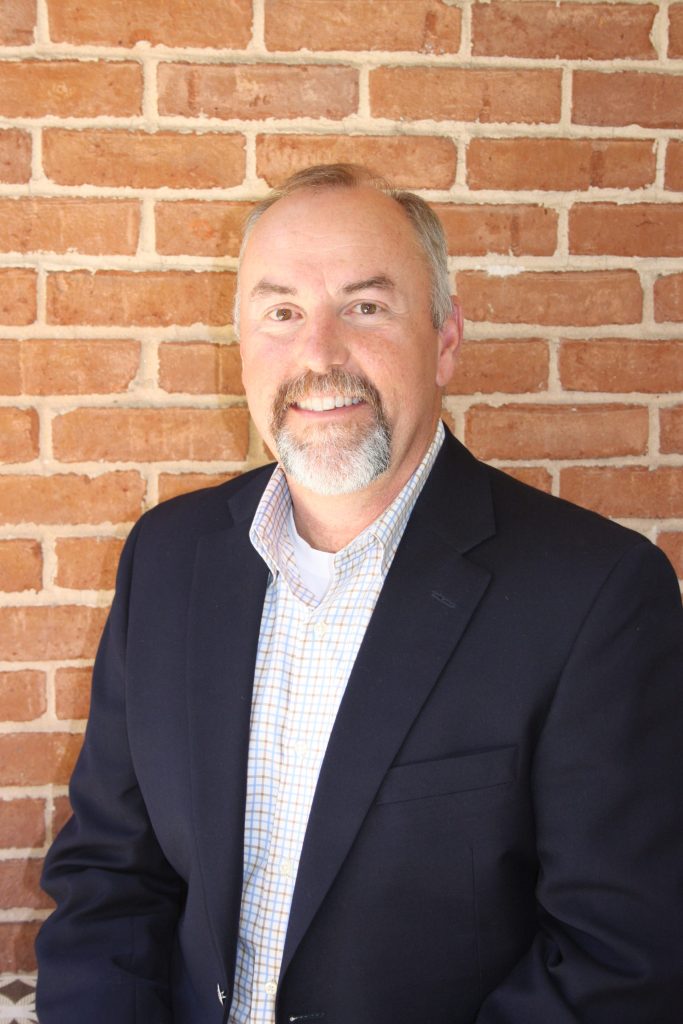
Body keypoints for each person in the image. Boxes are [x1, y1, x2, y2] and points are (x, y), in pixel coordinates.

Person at [36, 164, 683, 1024]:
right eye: (281, 313)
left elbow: (617, 960)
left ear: (444, 339)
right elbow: (110, 877)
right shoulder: (167, 557)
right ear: (240, 346)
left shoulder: (595, 595)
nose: (319, 354)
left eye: (365, 307)